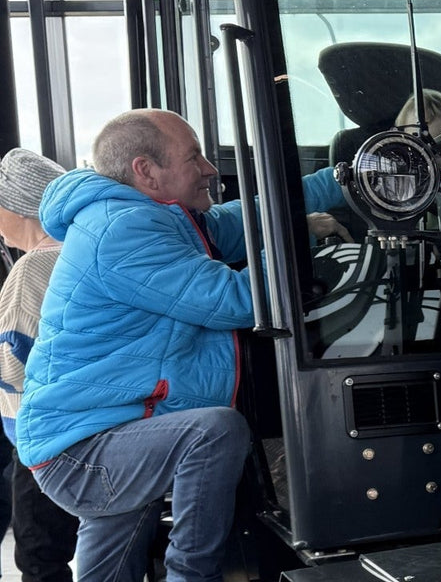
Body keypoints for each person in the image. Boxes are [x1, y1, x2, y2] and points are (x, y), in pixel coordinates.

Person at [18, 109, 346, 582]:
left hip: (107, 430)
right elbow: (237, 301)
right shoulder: (123, 229)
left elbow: (252, 216)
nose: (210, 169)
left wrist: (344, 178)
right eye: (194, 157)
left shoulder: (155, 217)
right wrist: (300, 242)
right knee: (214, 431)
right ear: (146, 171)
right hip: (86, 449)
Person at [0, 149, 79, 582]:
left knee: (38, 557)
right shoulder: (80, 252)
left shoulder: (32, 267)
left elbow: (12, 361)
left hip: (41, 432)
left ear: (20, 208)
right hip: (83, 420)